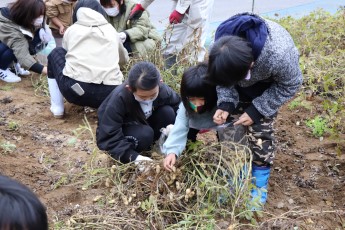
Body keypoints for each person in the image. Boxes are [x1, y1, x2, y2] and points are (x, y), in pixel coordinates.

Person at [206, 13, 303, 208]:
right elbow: (221, 79)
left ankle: (258, 184)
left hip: (268, 88)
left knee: (261, 133)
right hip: (238, 79)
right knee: (230, 130)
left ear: (251, 64)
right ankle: (235, 175)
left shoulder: (279, 55)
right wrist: (225, 103)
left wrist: (257, 110)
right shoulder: (219, 47)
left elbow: (291, 84)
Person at [47, 0, 129, 118]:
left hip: (76, 91)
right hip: (109, 94)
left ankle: (57, 108)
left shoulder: (72, 30)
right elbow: (123, 60)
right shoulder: (112, 31)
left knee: (55, 53)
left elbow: (66, 55)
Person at [97, 61, 180, 165]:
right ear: (130, 88)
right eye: (143, 97)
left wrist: (176, 128)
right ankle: (138, 153)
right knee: (145, 134)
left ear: (160, 83)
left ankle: (157, 146)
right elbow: (108, 137)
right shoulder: (118, 100)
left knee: (168, 113)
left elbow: (179, 107)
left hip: (146, 124)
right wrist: (134, 158)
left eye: (153, 95)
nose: (148, 99)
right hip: (130, 132)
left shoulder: (163, 90)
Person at [162, 63, 218, 171]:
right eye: (192, 99)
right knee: (188, 138)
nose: (196, 104)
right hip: (195, 123)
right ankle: (191, 158)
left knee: (226, 140)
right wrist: (172, 151)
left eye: (201, 98)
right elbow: (180, 126)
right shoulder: (186, 107)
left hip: (219, 122)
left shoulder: (221, 102)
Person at [129, 0, 214, 66]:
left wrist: (180, 10)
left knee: (194, 42)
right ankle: (172, 74)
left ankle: (193, 76)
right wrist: (142, 5)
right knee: (172, 38)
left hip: (199, 2)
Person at [0, 0, 51, 83]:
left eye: (42, 14)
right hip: (4, 45)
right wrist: (48, 71)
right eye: (37, 16)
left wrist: (41, 30)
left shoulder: (18, 15)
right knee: (17, 45)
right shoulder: (8, 25)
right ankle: (2, 68)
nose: (40, 18)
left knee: (31, 38)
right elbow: (22, 55)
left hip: (10, 42)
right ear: (26, 13)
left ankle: (13, 64)